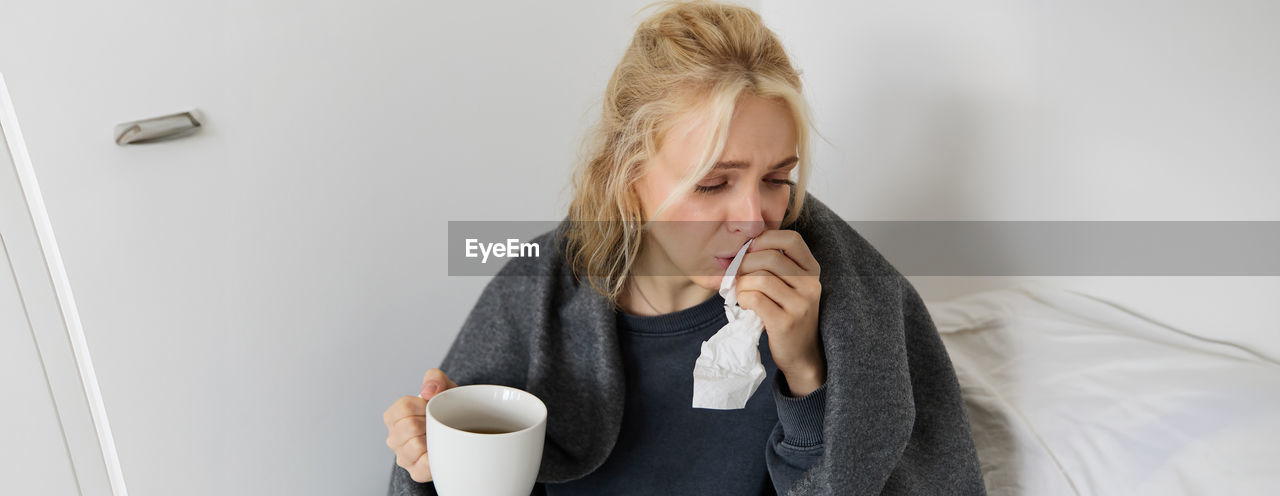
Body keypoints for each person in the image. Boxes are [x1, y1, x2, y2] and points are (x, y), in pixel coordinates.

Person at [384, 1, 985, 495]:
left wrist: (805, 372)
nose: (754, 217)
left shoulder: (849, 300)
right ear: (627, 176)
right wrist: (431, 463)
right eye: (713, 183)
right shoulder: (535, 295)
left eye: (778, 178)